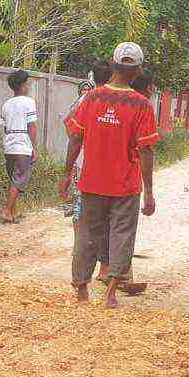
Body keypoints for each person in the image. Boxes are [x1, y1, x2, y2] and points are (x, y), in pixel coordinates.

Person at [62, 42, 161, 309]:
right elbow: (146, 150)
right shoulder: (141, 104)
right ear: (138, 70)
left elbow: (74, 138)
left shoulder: (92, 98)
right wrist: (149, 191)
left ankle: (82, 291)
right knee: (122, 236)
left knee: (86, 235)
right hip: (126, 185)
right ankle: (111, 294)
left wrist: (66, 173)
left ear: (113, 63)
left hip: (92, 182)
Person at [65, 61, 112, 281]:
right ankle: (104, 267)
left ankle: (81, 253)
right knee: (106, 218)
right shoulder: (110, 99)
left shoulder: (87, 99)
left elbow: (70, 126)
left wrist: (82, 142)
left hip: (85, 166)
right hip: (106, 169)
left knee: (81, 212)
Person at [0, 69, 39, 223]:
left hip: (9, 146)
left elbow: (4, 127)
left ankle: (13, 212)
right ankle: (7, 210)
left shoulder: (6, 104)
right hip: (23, 145)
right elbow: (32, 126)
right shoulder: (29, 102)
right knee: (20, 179)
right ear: (23, 85)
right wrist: (34, 147)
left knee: (13, 179)